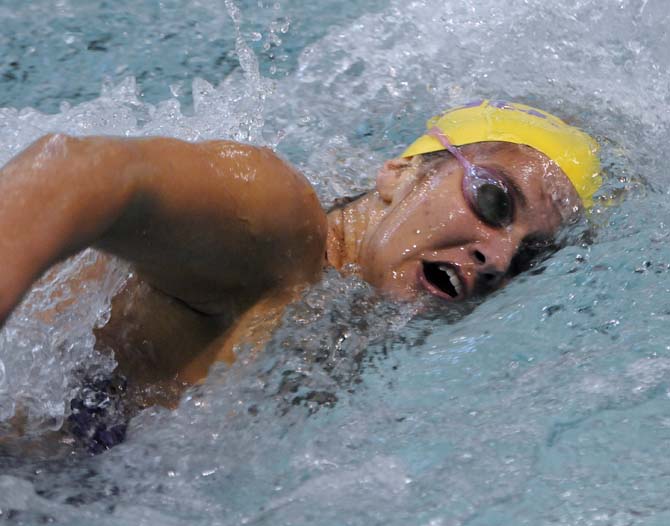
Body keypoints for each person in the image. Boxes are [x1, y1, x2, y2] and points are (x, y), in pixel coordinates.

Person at [0, 100, 600, 440]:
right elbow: (75, 170)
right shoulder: (279, 228)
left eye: (528, 258)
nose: (496, 258)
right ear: (399, 173)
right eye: (495, 201)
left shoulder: (346, 318)